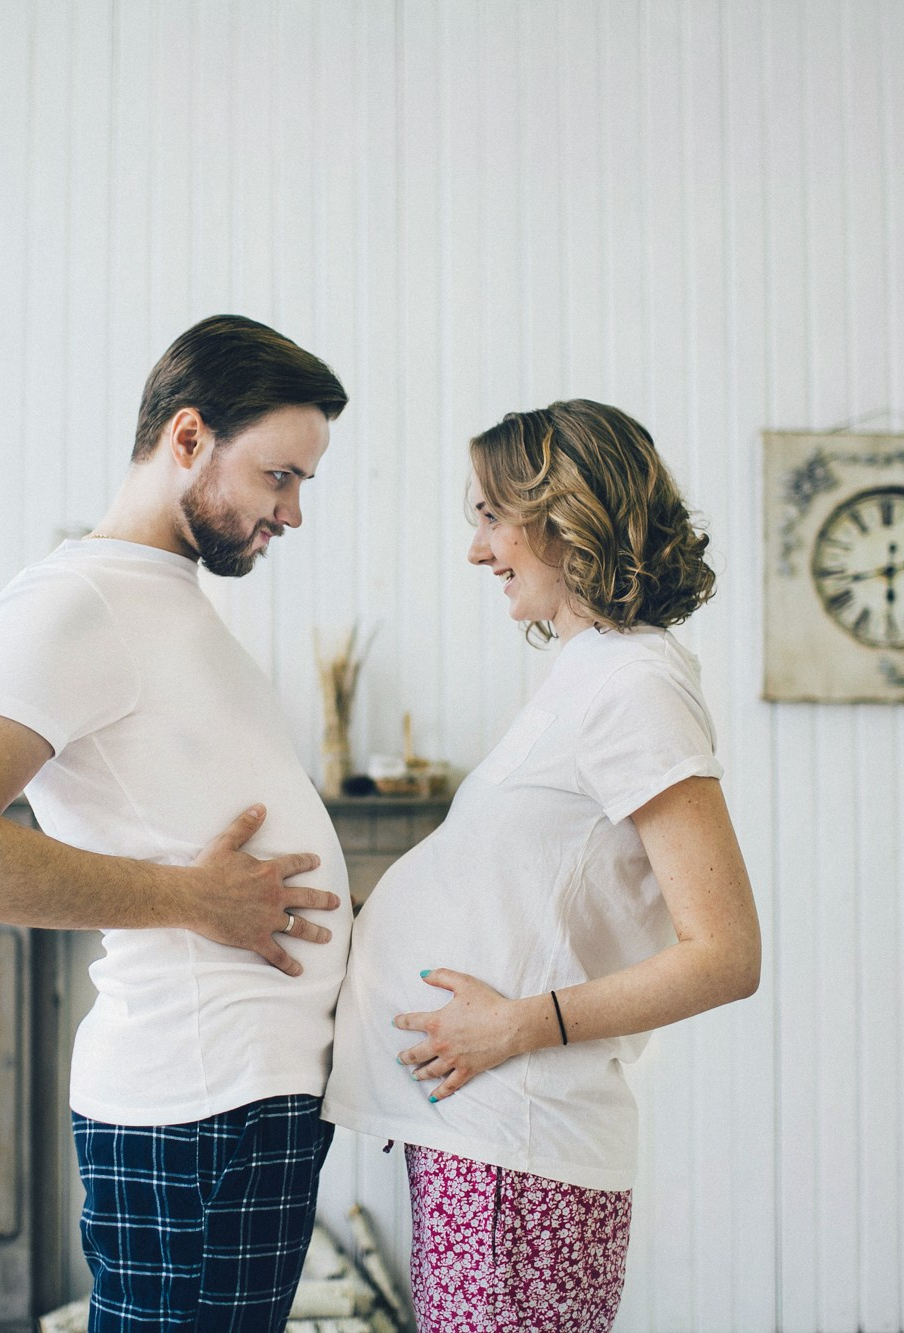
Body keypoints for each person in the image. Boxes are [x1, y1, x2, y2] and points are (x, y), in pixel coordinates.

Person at [0, 315, 353, 1331]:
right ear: (187, 438)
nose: (292, 512)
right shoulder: (68, 605)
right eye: (280, 476)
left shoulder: (165, 601)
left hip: (246, 1098)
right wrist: (191, 900)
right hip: (194, 1108)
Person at [320, 400, 763, 1332]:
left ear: (565, 516)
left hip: (518, 1151)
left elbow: (726, 951)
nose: (477, 551)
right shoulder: (591, 672)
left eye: (490, 517)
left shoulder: (634, 686)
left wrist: (518, 1026)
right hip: (489, 1145)